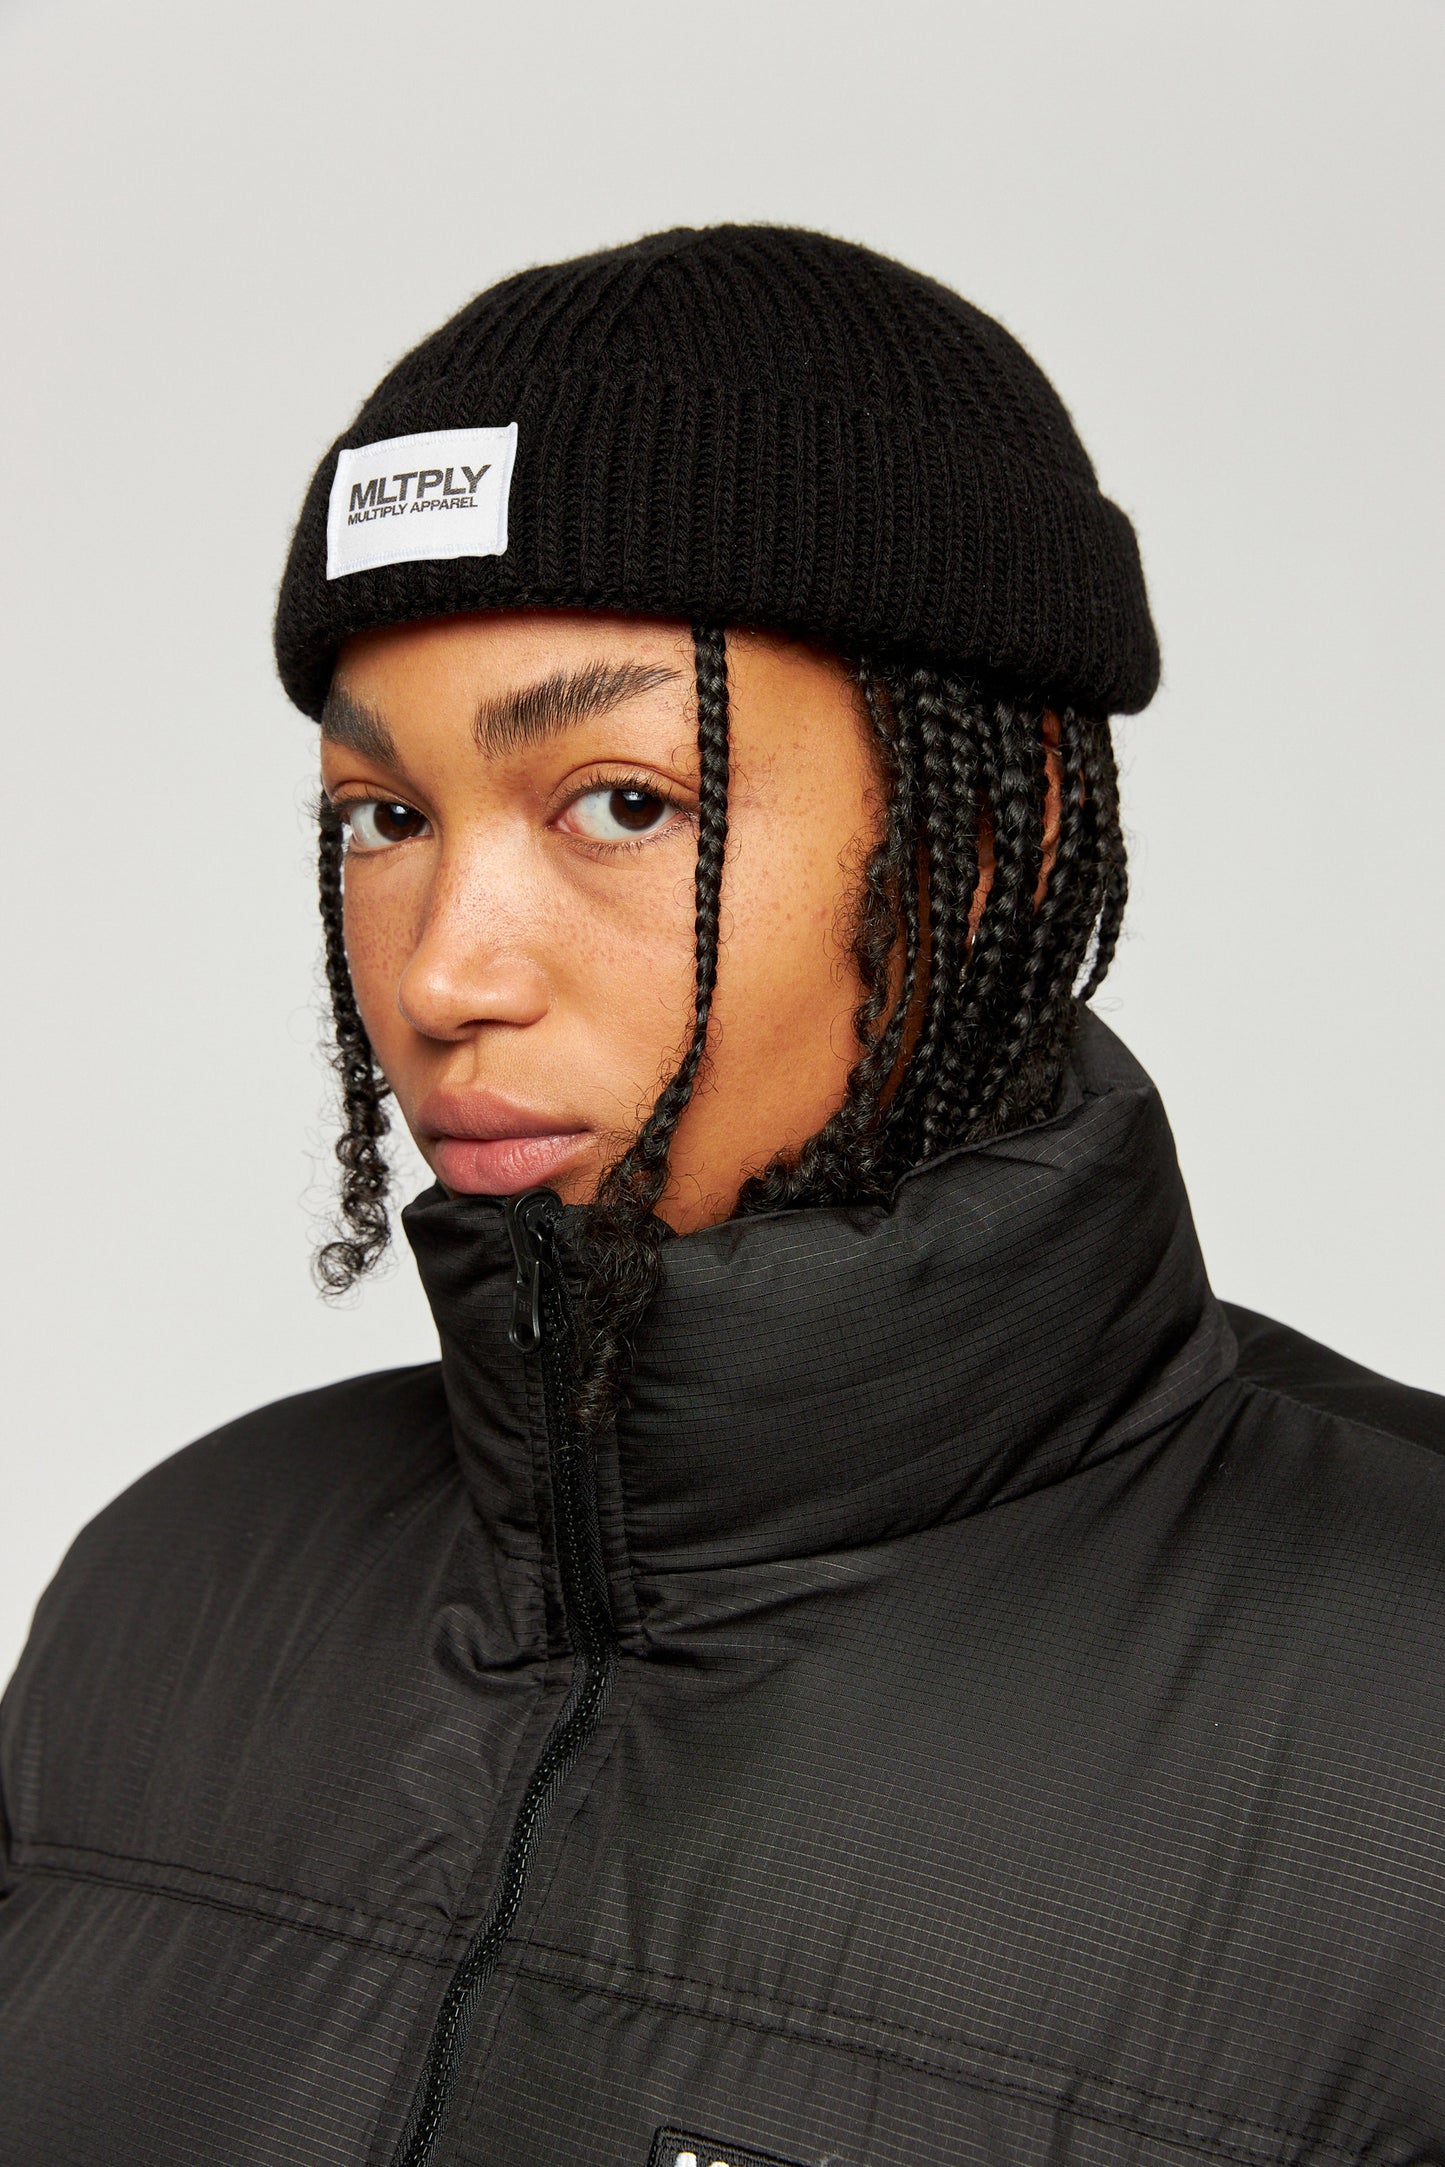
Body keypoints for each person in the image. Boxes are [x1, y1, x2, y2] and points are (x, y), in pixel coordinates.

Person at [2, 225, 1442, 2167]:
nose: (445, 972)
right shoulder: (170, 1593)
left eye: (623, 804)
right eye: (384, 818)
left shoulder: (1404, 1704)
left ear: (996, 841)